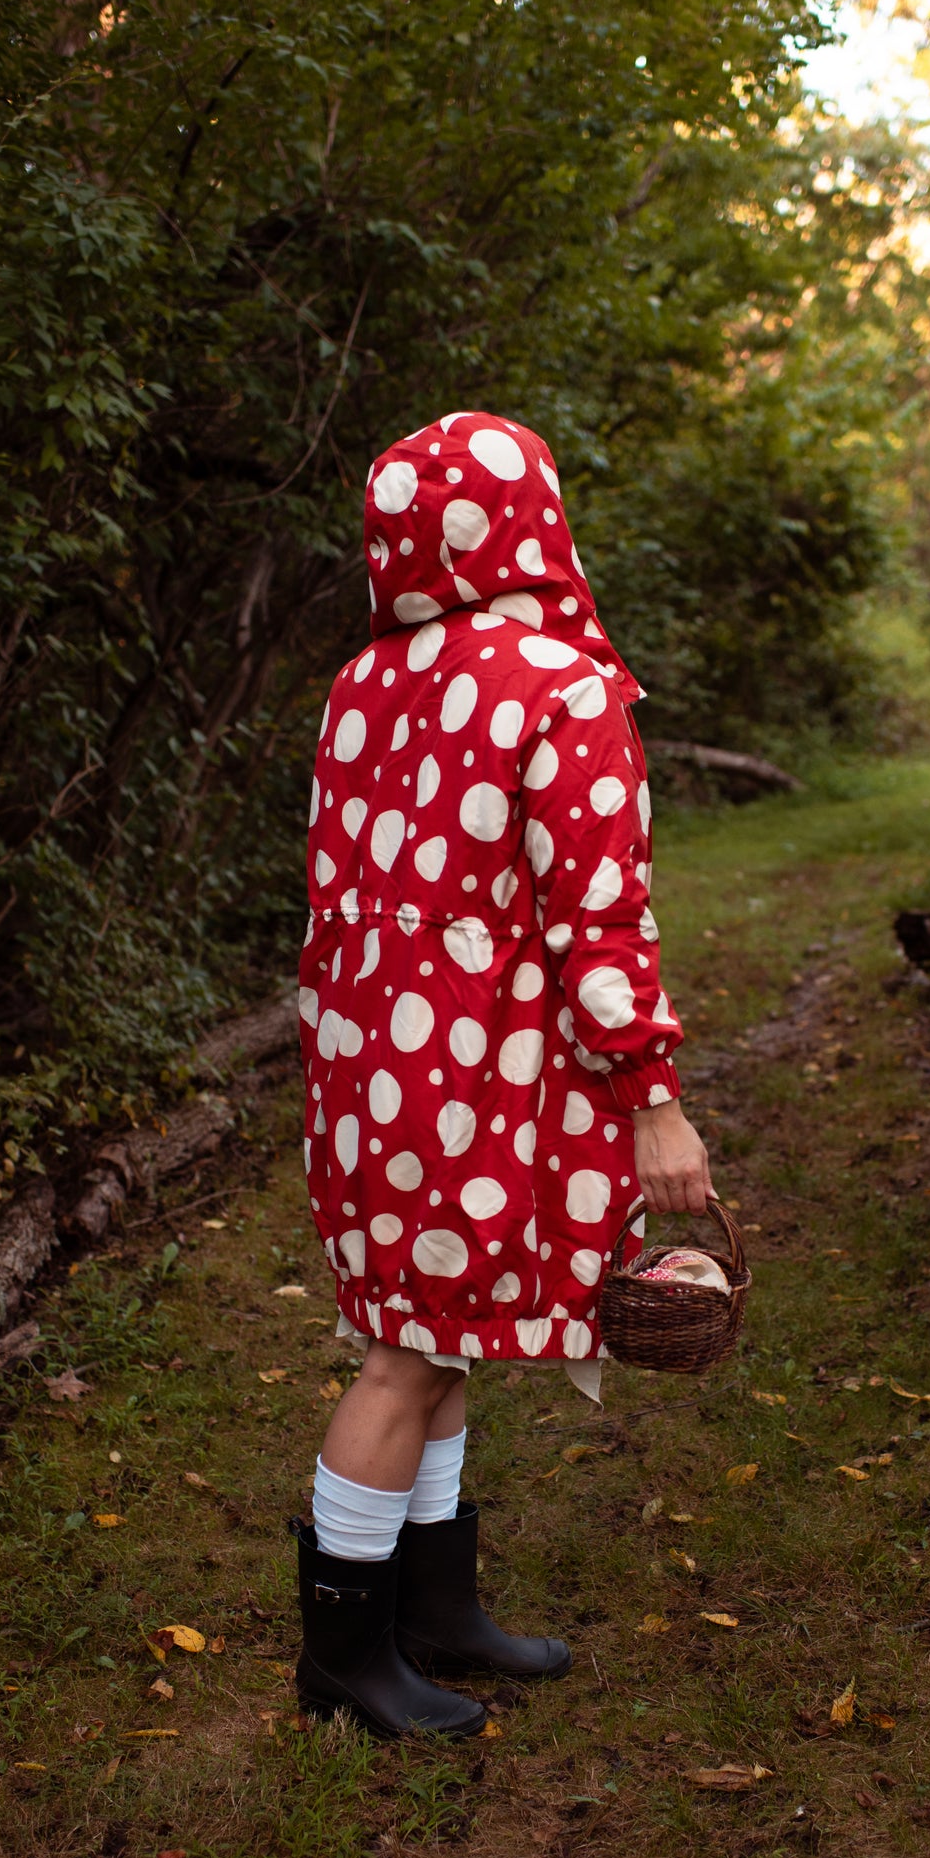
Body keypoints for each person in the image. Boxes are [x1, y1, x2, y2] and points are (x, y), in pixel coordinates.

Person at [292, 410, 711, 1736]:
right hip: (479, 1073)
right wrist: (652, 1093)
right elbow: (601, 918)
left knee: (436, 1333)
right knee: (405, 1360)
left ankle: (434, 1614)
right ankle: (344, 1659)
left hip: (370, 1062)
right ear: (534, 517)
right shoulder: (562, 681)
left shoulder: (363, 684)